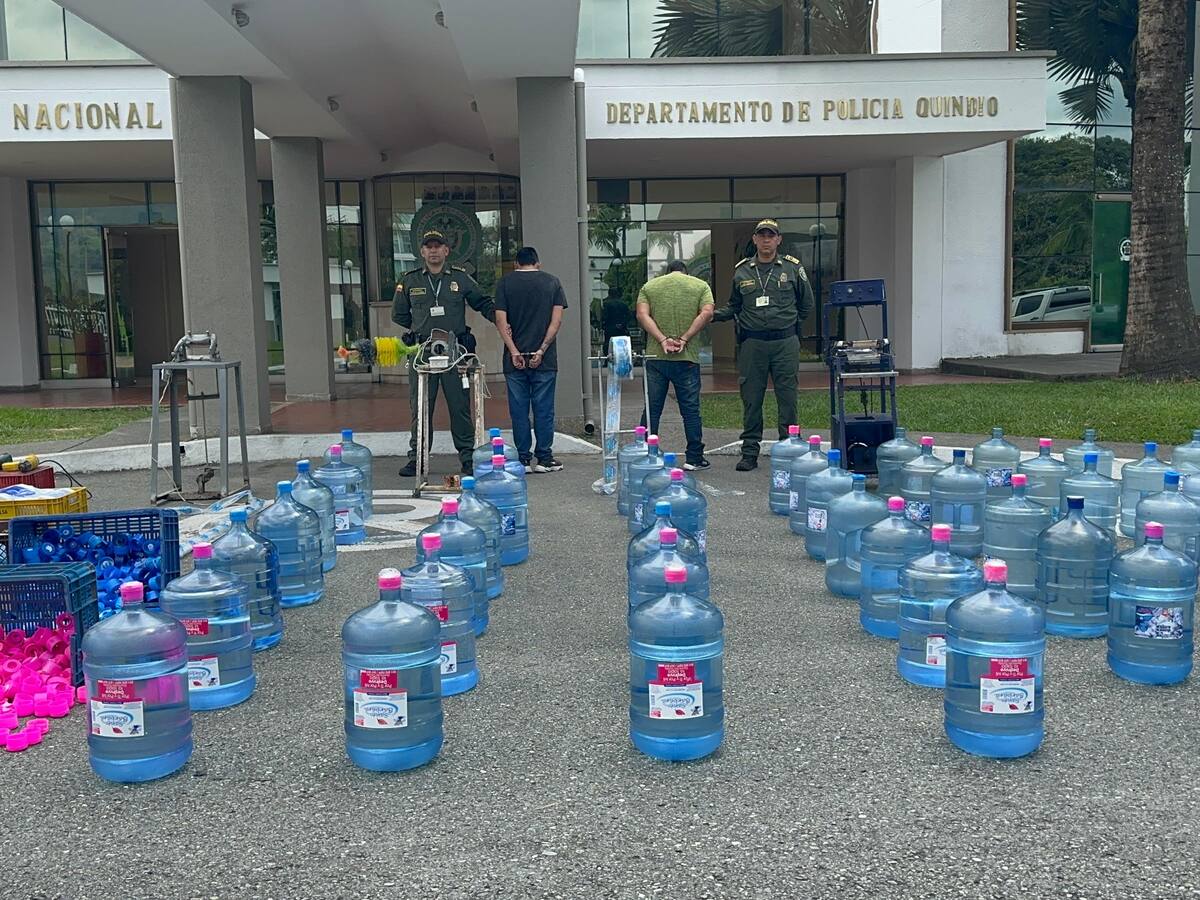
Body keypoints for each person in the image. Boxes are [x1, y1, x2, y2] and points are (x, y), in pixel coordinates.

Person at [712, 218, 815, 471]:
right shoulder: (742, 271)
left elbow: (807, 304)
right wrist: (709, 315)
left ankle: (789, 449)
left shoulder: (792, 268)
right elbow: (734, 307)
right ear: (755, 240)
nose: (766, 239)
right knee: (751, 397)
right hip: (753, 344)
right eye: (762, 235)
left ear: (779, 240)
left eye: (771, 235)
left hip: (784, 343)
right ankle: (749, 452)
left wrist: (789, 325)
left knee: (787, 397)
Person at [392, 229, 495, 476]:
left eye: (438, 246)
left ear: (446, 250)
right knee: (420, 407)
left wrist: (504, 320)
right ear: (422, 251)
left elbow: (483, 302)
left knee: (459, 408)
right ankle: (417, 458)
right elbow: (399, 314)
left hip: (454, 351)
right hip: (422, 352)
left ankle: (468, 459)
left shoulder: (460, 279)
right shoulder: (410, 280)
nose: (434, 250)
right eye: (429, 246)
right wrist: (420, 330)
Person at [494, 246, 567, 473]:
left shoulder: (504, 284)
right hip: (544, 359)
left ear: (516, 264)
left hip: (514, 359)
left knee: (519, 410)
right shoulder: (552, 282)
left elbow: (500, 321)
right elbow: (556, 323)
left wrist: (514, 351)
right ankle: (544, 458)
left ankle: (523, 459)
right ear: (538, 263)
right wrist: (542, 349)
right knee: (544, 409)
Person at [635, 260, 714, 470]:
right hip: (686, 358)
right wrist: (685, 338)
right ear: (685, 272)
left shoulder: (650, 287)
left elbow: (642, 314)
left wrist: (662, 339)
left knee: (652, 409)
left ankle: (645, 453)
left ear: (667, 272)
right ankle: (694, 457)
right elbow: (707, 312)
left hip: (656, 357)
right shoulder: (700, 286)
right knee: (690, 410)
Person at [601, 285, 630, 349]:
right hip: (622, 329)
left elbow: (605, 317)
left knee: (608, 345)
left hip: (610, 328)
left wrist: (603, 325)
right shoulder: (623, 304)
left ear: (609, 294)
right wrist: (622, 324)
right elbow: (628, 316)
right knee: (623, 347)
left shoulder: (606, 304)